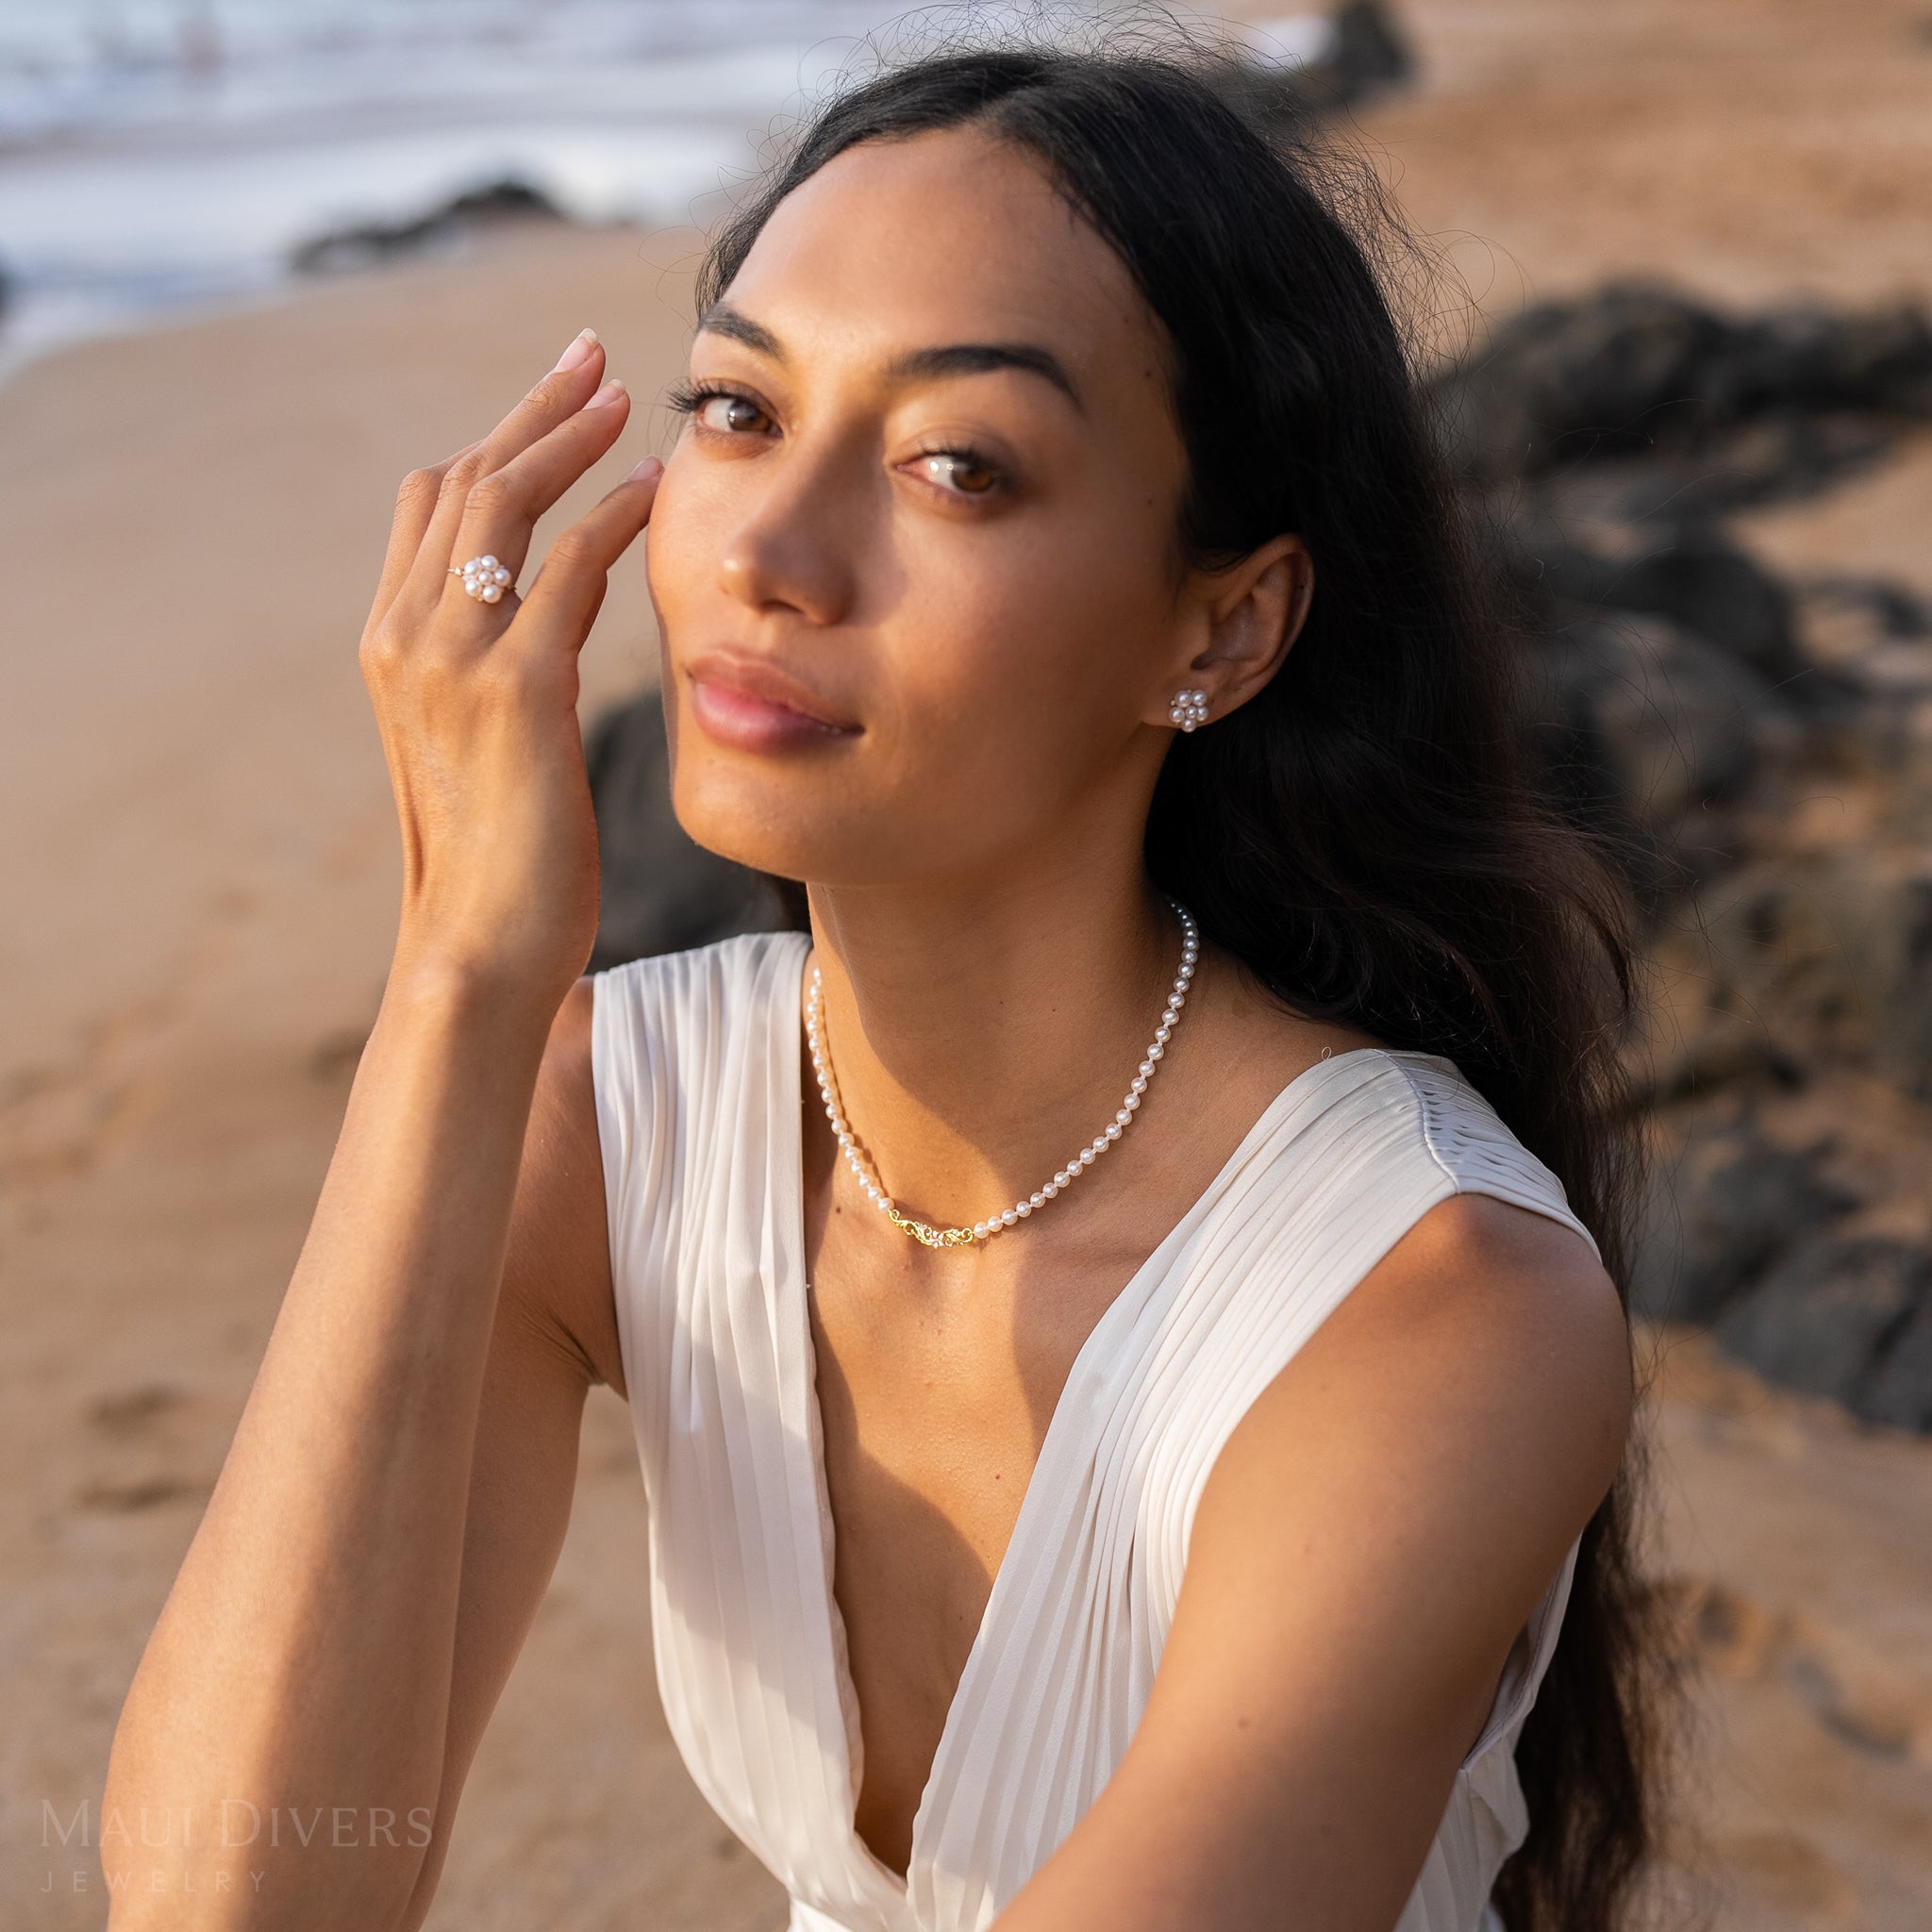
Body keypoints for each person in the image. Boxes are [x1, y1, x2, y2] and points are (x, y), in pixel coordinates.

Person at [103, 37, 1674, 1932]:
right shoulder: (610, 1123)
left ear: (1223, 621)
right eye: (740, 410)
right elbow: (227, 1905)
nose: (766, 551)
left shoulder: (1432, 1309)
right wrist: (456, 982)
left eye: (954, 464)